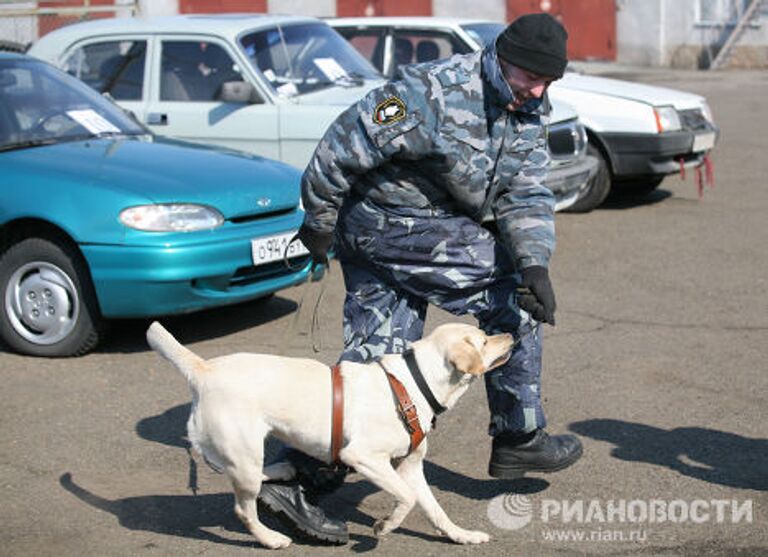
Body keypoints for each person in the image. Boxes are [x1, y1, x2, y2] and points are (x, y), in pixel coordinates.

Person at [258, 13, 583, 544]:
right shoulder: (426, 93)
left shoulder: (528, 108)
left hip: (420, 230)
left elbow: (525, 192)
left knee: (376, 366)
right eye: (530, 77)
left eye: (549, 81)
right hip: (386, 221)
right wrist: (318, 225)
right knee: (512, 299)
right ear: (502, 58)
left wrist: (536, 262)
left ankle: (296, 480)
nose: (538, 90)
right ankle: (519, 431)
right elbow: (337, 149)